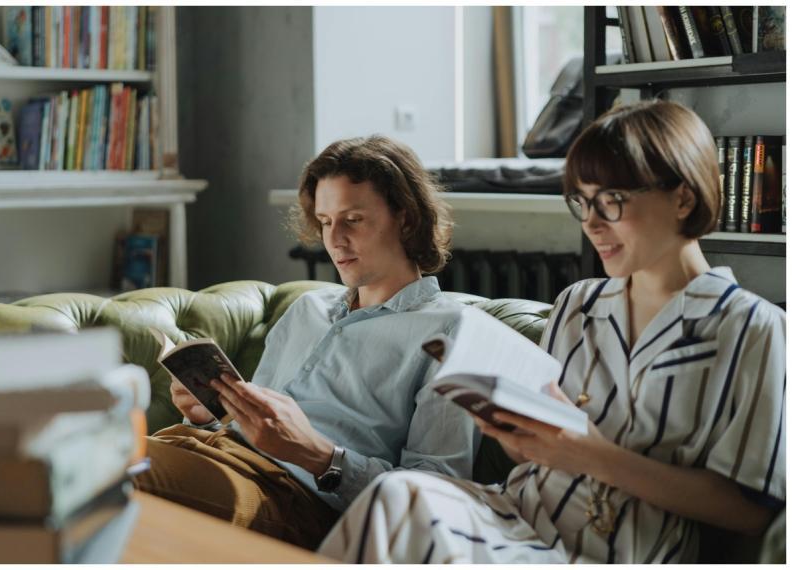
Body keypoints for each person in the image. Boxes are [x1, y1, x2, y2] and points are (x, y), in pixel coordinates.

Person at [318, 100, 786, 563]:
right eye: (582, 202)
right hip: (518, 513)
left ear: (682, 197)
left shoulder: (751, 326)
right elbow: (541, 455)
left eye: (613, 201)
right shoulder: (578, 303)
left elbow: (749, 510)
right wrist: (517, 436)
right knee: (396, 493)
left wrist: (590, 454)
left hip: (621, 549)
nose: (592, 224)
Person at [133, 135, 479, 550]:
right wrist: (205, 413)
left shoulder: (451, 330)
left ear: (405, 219)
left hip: (291, 497)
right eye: (326, 221)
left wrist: (318, 454)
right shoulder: (306, 308)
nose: (334, 241)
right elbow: (246, 423)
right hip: (204, 450)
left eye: (353, 219)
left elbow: (434, 497)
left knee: (98, 475)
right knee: (61, 458)